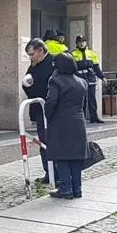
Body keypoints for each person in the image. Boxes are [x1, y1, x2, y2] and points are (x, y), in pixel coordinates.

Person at [45, 53, 88, 199]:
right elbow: (84, 105)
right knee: (76, 157)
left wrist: (48, 115)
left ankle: (66, 188)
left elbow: (51, 102)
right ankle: (77, 189)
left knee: (61, 155)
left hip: (61, 122)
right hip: (78, 121)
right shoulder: (82, 82)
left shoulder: (55, 81)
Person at [21, 38, 58, 185]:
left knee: (55, 141)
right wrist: (27, 85)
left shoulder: (55, 63)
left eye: (32, 54)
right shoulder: (33, 65)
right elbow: (30, 85)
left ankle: (59, 172)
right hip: (40, 110)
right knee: (44, 142)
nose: (30, 58)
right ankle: (49, 172)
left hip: (54, 109)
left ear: (41, 51)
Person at [72, 35, 106, 123]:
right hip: (79, 79)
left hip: (90, 78)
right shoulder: (73, 54)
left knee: (92, 99)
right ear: (76, 43)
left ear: (86, 42)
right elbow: (72, 68)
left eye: (83, 41)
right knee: (81, 99)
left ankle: (94, 117)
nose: (81, 43)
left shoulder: (92, 53)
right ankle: (81, 118)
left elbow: (96, 67)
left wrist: (102, 77)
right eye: (79, 42)